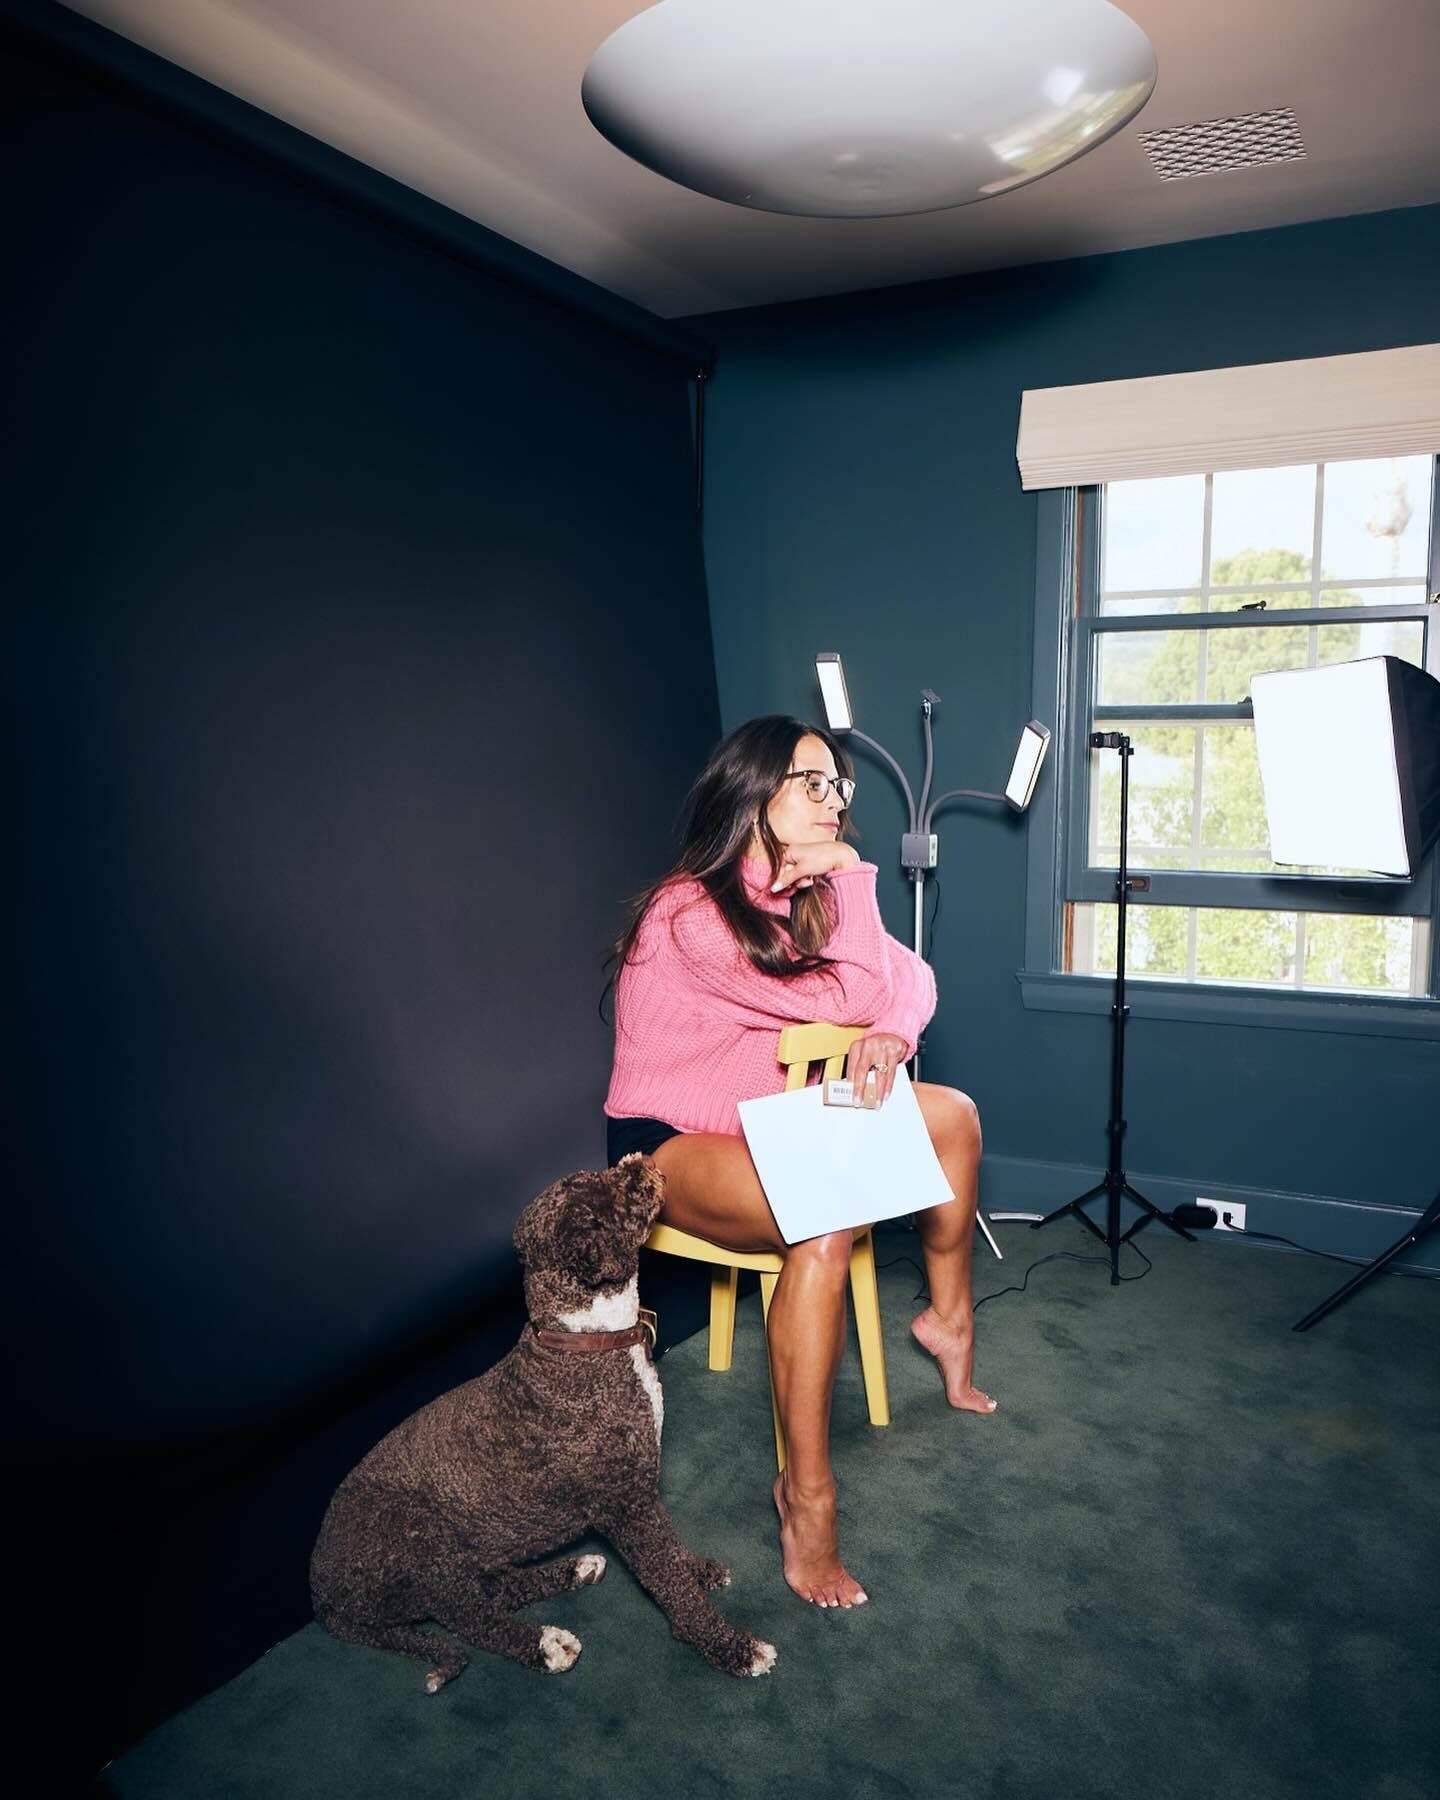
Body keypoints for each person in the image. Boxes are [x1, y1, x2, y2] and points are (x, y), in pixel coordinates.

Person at [605, 716, 994, 1611]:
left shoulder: (805, 894)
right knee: (823, 1217)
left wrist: (892, 1032)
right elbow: (850, 990)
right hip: (670, 1141)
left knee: (955, 1117)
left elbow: (910, 980)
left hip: (774, 1120)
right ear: (751, 794)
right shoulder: (687, 912)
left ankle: (949, 1322)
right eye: (810, 782)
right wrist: (854, 875)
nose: (834, 801)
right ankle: (806, 1496)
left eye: (837, 785)